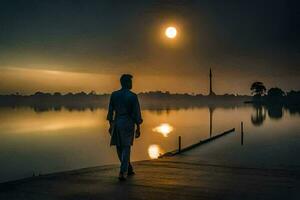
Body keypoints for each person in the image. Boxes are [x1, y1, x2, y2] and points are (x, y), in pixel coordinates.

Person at [107, 74, 143, 181]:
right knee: (126, 147)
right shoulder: (132, 96)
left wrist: (110, 125)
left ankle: (128, 167)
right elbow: (136, 113)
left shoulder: (114, 95)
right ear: (126, 83)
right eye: (130, 82)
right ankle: (123, 172)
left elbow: (110, 112)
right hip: (127, 123)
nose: (132, 84)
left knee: (119, 147)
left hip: (117, 122)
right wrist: (138, 127)